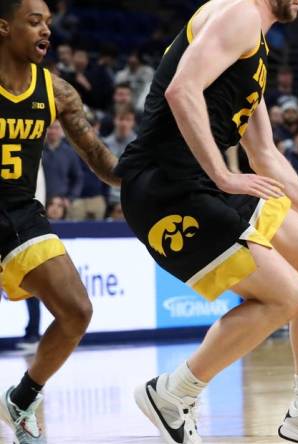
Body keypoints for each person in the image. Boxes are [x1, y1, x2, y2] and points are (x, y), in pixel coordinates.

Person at [113, 1, 298, 443]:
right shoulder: (240, 12)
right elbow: (181, 90)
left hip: (203, 183)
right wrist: (224, 174)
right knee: (287, 295)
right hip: (167, 187)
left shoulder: (255, 44)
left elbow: (265, 154)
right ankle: (174, 394)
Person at [0, 0, 122, 442]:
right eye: (34, 22)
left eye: (48, 23)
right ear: (4, 27)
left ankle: (22, 396)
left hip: (19, 213)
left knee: (77, 311)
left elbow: (99, 159)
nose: (45, 31)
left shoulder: (57, 91)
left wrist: (145, 171)